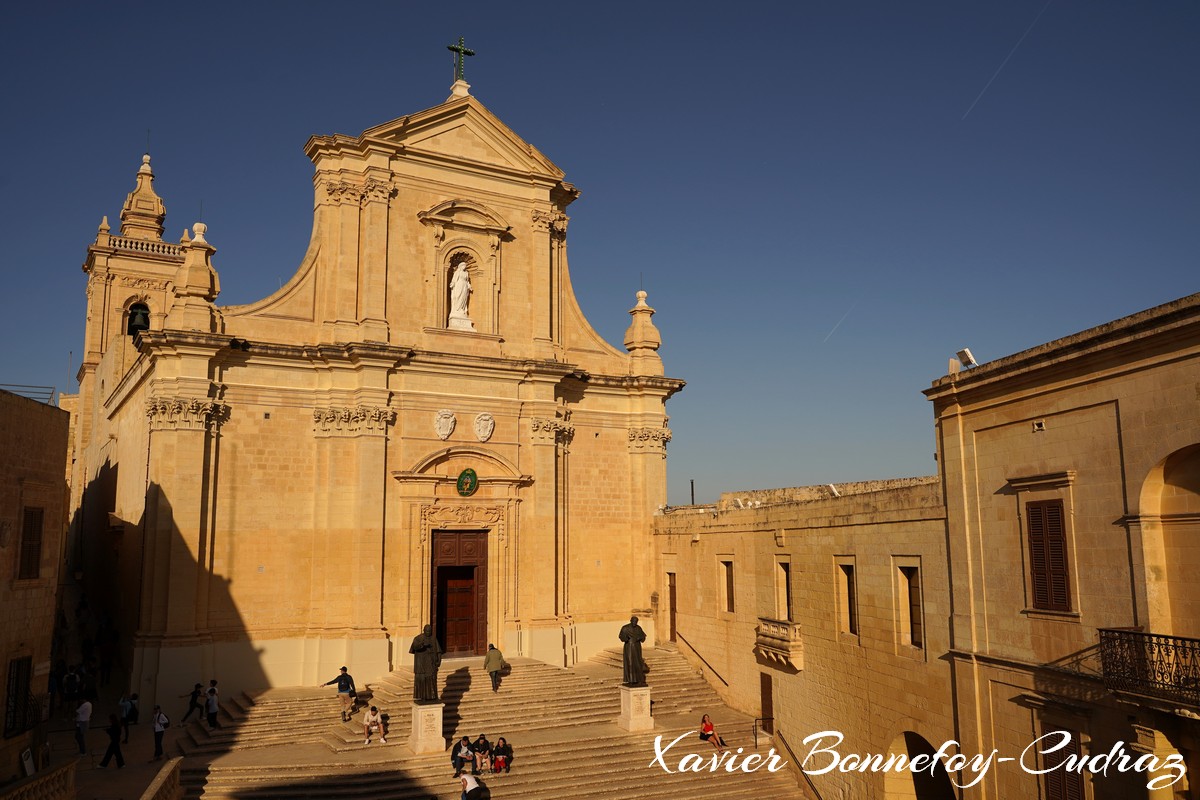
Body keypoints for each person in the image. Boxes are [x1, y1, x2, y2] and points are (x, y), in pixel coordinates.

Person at [410, 625, 442, 703]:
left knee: (431, 680)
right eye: (427, 631)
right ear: (423, 630)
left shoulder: (433, 639)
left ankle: (432, 697)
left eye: (430, 631)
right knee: (422, 680)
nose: (428, 633)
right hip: (421, 665)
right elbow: (415, 647)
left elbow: (439, 651)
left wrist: (439, 661)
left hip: (431, 664)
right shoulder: (418, 638)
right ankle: (422, 697)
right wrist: (422, 645)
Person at [618, 615, 648, 686]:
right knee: (630, 663)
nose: (635, 623)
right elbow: (621, 636)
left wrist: (638, 638)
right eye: (633, 621)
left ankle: (639, 679)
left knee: (637, 663)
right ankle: (631, 680)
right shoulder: (625, 628)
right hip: (629, 647)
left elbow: (643, 637)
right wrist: (626, 638)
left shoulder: (638, 628)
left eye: (636, 622)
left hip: (637, 647)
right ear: (631, 621)